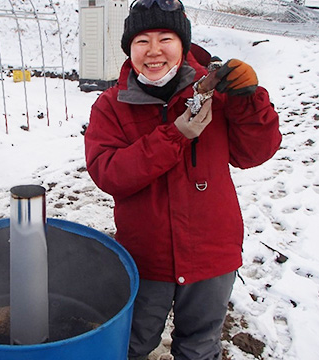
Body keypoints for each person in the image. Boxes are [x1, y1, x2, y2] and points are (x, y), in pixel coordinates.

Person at [84, 0, 282, 359]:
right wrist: (174, 136)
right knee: (130, 343)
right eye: (142, 40)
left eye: (166, 38)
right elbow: (109, 173)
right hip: (146, 259)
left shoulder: (216, 94)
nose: (154, 51)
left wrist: (248, 99)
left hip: (212, 254)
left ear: (184, 45)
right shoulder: (111, 106)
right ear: (130, 49)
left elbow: (255, 153)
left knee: (199, 347)